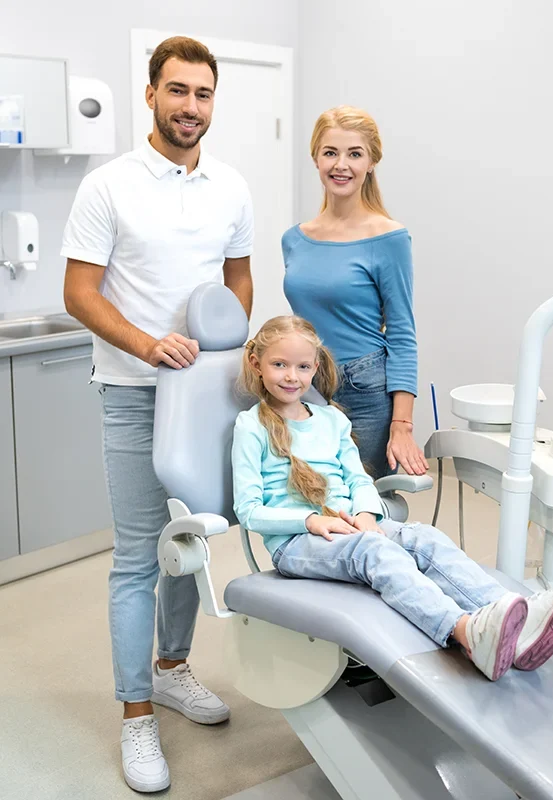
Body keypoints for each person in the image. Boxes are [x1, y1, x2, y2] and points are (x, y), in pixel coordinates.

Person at [62, 36, 254, 793]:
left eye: (203, 95)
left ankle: (172, 670)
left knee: (193, 542)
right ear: (150, 94)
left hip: (206, 398)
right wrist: (150, 346)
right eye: (177, 91)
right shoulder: (109, 186)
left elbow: (239, 280)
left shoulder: (231, 186)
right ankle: (136, 715)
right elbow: (80, 293)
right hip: (135, 396)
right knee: (139, 556)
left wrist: (221, 353)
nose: (190, 107)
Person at [231, 315, 553, 682]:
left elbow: (357, 478)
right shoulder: (251, 426)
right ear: (256, 364)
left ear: (316, 367)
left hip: (353, 525)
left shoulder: (331, 420)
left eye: (303, 366)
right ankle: (468, 633)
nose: (292, 376)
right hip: (297, 542)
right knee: (375, 553)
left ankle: (518, 618)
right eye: (280, 365)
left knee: (423, 537)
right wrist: (311, 521)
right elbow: (248, 511)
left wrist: (368, 515)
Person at [282, 105, 428, 480]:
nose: (340, 165)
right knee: (315, 506)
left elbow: (401, 332)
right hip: (306, 386)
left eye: (354, 154)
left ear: (371, 162)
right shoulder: (295, 239)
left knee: (362, 512)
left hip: (364, 390)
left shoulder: (389, 238)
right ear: (316, 158)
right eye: (330, 152)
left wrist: (402, 425)